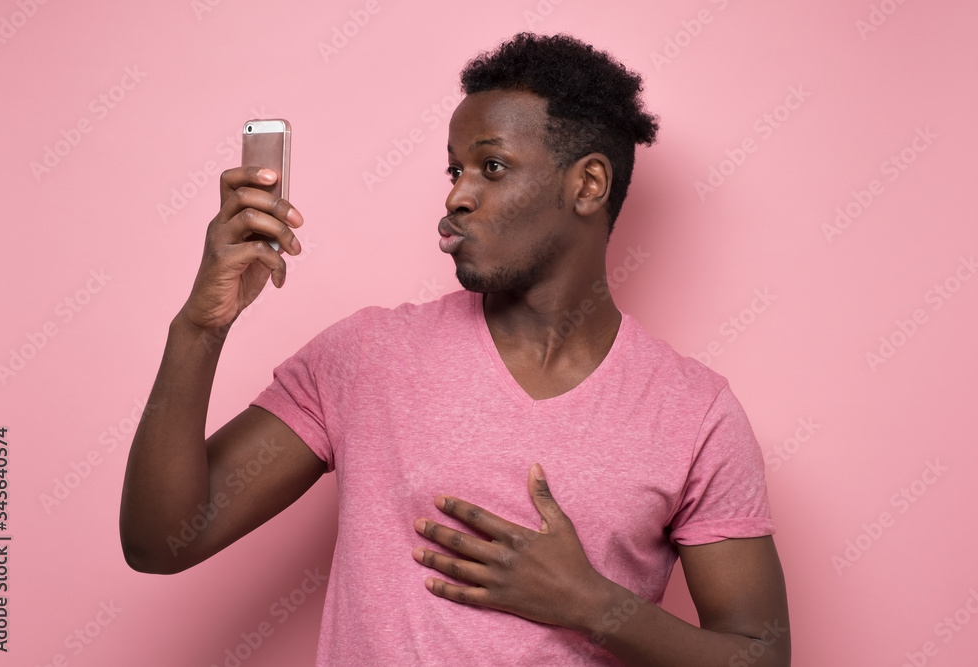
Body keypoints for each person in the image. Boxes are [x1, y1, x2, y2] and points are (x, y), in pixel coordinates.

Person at [120, 32, 790, 666]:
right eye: (455, 169)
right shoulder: (366, 355)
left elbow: (762, 653)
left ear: (587, 184)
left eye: (491, 167)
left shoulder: (694, 413)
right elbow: (161, 539)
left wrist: (590, 603)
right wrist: (199, 329)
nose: (457, 195)